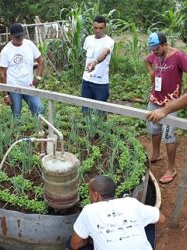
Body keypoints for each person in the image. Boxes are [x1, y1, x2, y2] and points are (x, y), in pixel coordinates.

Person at [66, 175, 165, 250]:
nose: (89, 197)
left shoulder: (89, 210)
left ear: (96, 195)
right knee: (149, 221)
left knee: (69, 243)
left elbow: (74, 245)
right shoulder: (131, 202)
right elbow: (161, 218)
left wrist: (90, 240)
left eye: (90, 194)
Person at [145, 32, 187, 184]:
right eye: (152, 49)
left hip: (171, 104)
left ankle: (171, 168)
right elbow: (147, 60)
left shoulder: (179, 56)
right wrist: (151, 71)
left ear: (165, 44)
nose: (154, 52)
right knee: (154, 130)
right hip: (155, 99)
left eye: (156, 48)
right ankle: (156, 154)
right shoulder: (155, 54)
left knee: (168, 137)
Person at [0, 23, 44, 118]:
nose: (20, 39)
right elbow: (3, 74)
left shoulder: (29, 45)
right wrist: (6, 95)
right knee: (16, 114)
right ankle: (17, 132)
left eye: (21, 36)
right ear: (11, 36)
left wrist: (38, 77)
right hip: (14, 87)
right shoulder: (6, 51)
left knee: (39, 109)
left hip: (29, 85)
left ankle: (39, 130)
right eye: (17, 37)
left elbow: (40, 61)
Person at [81, 15, 115, 114]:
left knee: (101, 112)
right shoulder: (88, 39)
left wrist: (95, 62)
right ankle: (88, 129)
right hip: (86, 81)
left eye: (100, 28)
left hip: (101, 83)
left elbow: (104, 54)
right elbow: (86, 56)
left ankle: (101, 129)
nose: (98, 30)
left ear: (105, 28)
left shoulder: (109, 41)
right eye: (95, 28)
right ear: (92, 26)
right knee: (85, 111)